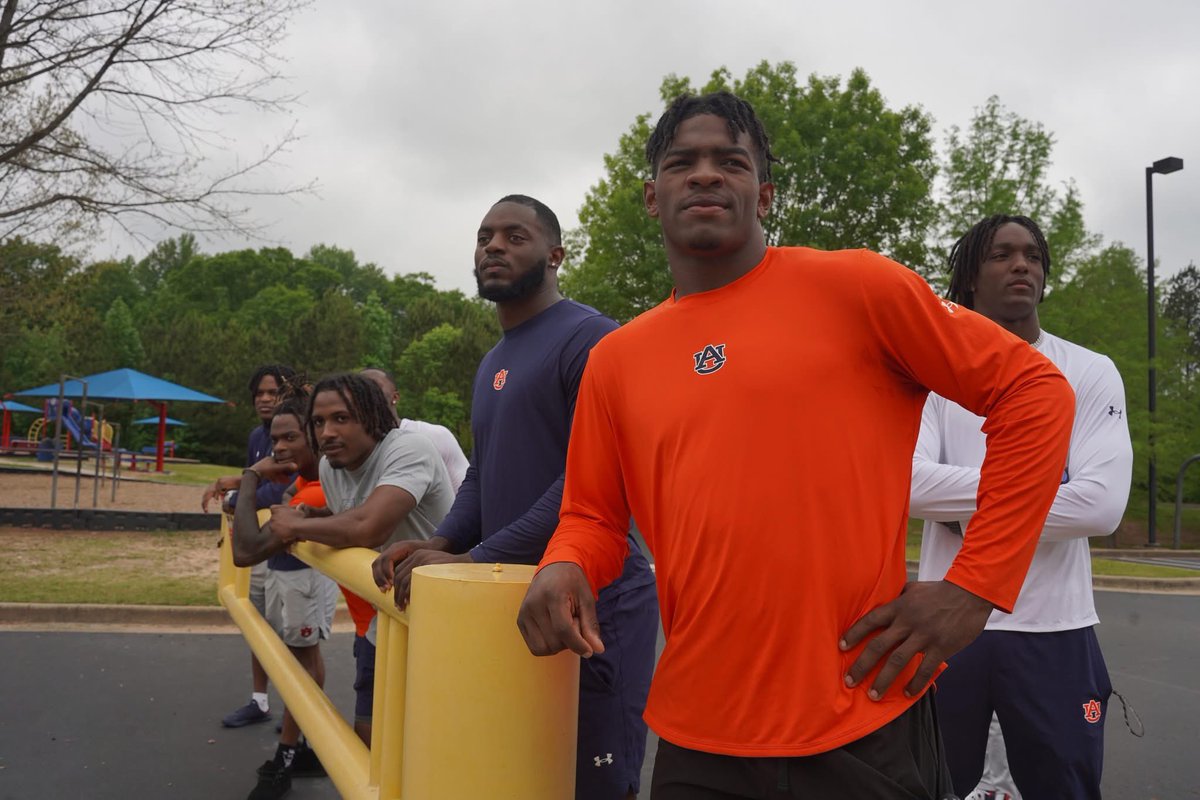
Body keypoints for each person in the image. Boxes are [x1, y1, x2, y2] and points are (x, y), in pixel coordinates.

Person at [515, 92, 1076, 800]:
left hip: (859, 716)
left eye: (731, 161)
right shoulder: (617, 360)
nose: (706, 175)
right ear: (652, 197)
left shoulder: (858, 287)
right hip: (696, 739)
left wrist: (975, 587)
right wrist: (563, 565)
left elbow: (1035, 394)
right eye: (683, 162)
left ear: (766, 193)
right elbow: (592, 517)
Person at [371, 195, 659, 800]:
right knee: (518, 775)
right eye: (483, 236)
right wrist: (443, 540)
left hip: (593, 599)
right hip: (510, 594)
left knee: (590, 782)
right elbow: (483, 475)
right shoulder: (493, 361)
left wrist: (472, 562)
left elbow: (588, 480)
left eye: (514, 236)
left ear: (555, 255)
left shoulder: (592, 339)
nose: (493, 246)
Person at [910, 215, 1132, 800]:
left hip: (1056, 629)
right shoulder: (929, 378)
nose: (1021, 266)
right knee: (930, 787)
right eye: (1002, 255)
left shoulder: (1088, 371)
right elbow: (904, 485)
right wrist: (1031, 493)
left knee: (1065, 787)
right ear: (969, 277)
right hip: (946, 622)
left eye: (1032, 256)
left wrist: (965, 509)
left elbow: (1100, 507)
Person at [268, 372, 455, 744]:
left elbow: (367, 526)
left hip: (443, 627)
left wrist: (297, 526)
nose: (326, 433)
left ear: (372, 417)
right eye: (319, 422)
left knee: (432, 744)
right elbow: (345, 521)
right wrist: (311, 517)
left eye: (342, 418)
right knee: (368, 735)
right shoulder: (329, 465)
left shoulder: (407, 447)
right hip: (385, 619)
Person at [231, 393, 338, 800]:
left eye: (290, 437)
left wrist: (250, 476)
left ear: (312, 434)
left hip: (304, 581)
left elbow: (246, 549)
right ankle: (303, 743)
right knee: (301, 657)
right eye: (275, 439)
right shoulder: (307, 480)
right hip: (292, 576)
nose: (278, 448)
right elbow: (276, 507)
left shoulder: (316, 487)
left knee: (303, 660)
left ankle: (288, 754)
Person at [201, 364, 297, 729]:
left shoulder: (296, 434)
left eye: (273, 392)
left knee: (295, 638)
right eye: (259, 393)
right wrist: (240, 495)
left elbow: (281, 490)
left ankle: (297, 714)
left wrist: (239, 493)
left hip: (288, 550)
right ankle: (259, 700)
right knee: (257, 624)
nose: (265, 399)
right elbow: (254, 489)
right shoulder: (258, 435)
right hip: (259, 545)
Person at [359, 367, 469, 491]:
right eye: (358, 390)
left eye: (374, 386)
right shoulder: (348, 450)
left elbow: (467, 491)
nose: (366, 393)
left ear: (395, 397)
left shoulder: (434, 435)